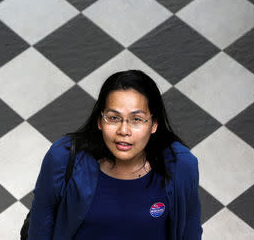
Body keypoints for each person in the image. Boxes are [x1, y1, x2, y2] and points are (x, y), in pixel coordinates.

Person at [27, 70, 202, 240]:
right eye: (113, 118)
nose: (124, 131)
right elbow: (40, 228)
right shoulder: (63, 158)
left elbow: (190, 231)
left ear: (154, 124)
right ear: (100, 121)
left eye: (137, 119)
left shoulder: (180, 165)